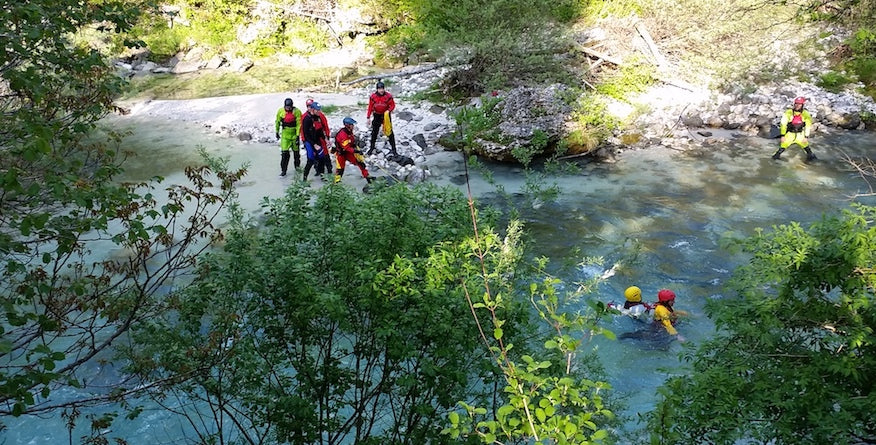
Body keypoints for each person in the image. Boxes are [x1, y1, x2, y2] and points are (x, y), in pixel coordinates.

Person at [774, 96, 816, 161]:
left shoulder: (805, 114)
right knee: (780, 151)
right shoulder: (789, 112)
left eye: (799, 104)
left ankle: (811, 161)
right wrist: (783, 135)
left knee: (808, 150)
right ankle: (775, 161)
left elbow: (807, 126)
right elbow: (783, 124)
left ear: (802, 105)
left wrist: (806, 137)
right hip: (790, 134)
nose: (797, 105)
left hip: (800, 135)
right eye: (796, 103)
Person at [332, 117, 374, 184]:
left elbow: (351, 142)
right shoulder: (343, 135)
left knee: (361, 163)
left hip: (349, 152)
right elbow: (346, 148)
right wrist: (356, 151)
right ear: (347, 125)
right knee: (340, 169)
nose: (353, 126)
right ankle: (336, 183)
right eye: (352, 125)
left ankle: (368, 177)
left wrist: (356, 148)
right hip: (341, 154)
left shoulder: (349, 131)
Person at [300, 102, 332, 181]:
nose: (319, 112)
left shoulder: (318, 118)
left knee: (322, 158)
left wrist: (326, 139)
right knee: (310, 160)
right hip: (309, 141)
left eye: (319, 110)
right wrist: (314, 145)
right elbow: (306, 135)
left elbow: (320, 131)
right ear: (312, 110)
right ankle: (304, 178)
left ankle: (322, 176)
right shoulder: (306, 119)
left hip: (317, 140)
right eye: (317, 110)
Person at [366, 80, 398, 155]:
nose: (381, 90)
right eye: (379, 89)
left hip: (386, 116)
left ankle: (394, 149)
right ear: (377, 89)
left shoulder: (388, 96)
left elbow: (393, 105)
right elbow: (370, 107)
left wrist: (389, 111)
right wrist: (368, 117)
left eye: (382, 88)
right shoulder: (373, 97)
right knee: (374, 132)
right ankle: (372, 147)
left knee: (389, 131)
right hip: (376, 115)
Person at [274, 97, 302, 176]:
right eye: (286, 107)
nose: (288, 108)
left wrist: (297, 136)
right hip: (285, 135)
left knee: (296, 154)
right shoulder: (280, 111)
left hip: (293, 134)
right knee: (284, 154)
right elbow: (278, 121)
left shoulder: (297, 112)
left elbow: (298, 124)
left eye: (289, 107)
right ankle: (283, 170)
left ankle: (297, 168)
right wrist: (276, 131)